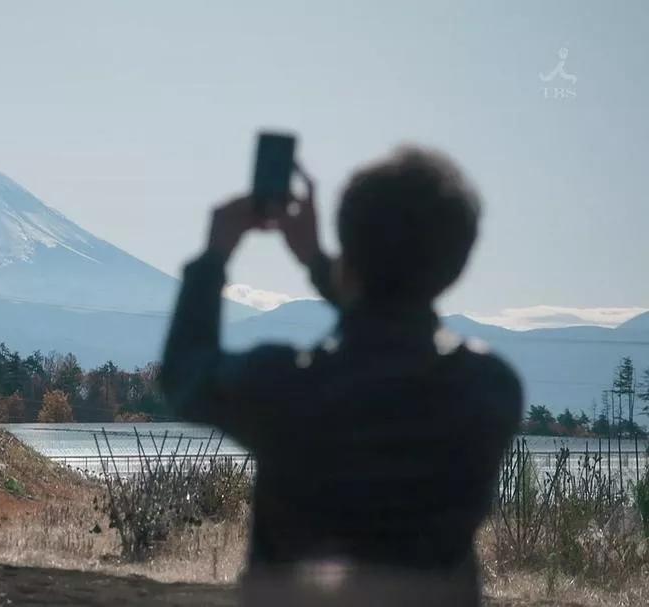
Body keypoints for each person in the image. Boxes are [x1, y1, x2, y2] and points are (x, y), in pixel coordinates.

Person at [161, 145, 523, 606]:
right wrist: (321, 264)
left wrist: (215, 256)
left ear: (350, 257)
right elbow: (393, 329)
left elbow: (185, 376)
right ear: (456, 268)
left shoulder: (283, 385)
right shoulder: (488, 390)